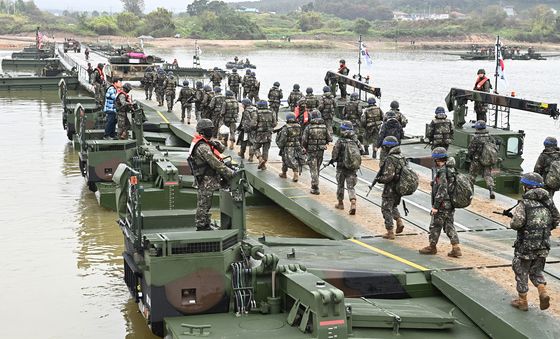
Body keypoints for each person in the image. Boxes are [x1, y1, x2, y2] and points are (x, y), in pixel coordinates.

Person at [509, 172, 559, 311]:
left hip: (526, 246)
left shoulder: (524, 204)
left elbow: (516, 224)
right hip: (543, 245)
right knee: (536, 271)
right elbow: (556, 219)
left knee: (521, 271)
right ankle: (542, 291)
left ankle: (522, 301)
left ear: (527, 187)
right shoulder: (548, 203)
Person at [189, 119, 235, 231]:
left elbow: (222, 149)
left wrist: (215, 142)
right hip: (205, 178)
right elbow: (215, 163)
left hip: (209, 178)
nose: (211, 132)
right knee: (204, 203)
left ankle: (205, 223)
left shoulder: (205, 143)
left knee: (206, 203)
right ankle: (201, 226)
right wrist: (230, 173)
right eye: (209, 130)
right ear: (203, 131)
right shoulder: (202, 147)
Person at [419, 147, 462, 257]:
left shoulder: (442, 171)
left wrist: (436, 206)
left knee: (435, 225)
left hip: (442, 204)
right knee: (449, 225)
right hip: (450, 203)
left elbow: (443, 189)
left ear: (437, 160)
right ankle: (456, 247)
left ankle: (432, 247)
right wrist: (434, 183)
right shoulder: (452, 169)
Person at [375, 136, 406, 239]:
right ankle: (399, 220)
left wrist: (380, 179)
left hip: (390, 187)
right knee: (392, 206)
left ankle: (390, 232)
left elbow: (389, 176)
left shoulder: (390, 158)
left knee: (385, 208)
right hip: (399, 187)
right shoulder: (402, 157)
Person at [331, 120, 362, 215]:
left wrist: (333, 159)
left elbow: (335, 154)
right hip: (352, 167)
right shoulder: (355, 140)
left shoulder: (340, 140)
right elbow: (361, 150)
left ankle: (340, 203)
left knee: (340, 185)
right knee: (351, 186)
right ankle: (353, 201)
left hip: (341, 167)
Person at [302, 110, 331, 195]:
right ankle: (315, 183)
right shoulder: (324, 127)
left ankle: (315, 186)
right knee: (317, 167)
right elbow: (330, 138)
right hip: (321, 150)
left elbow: (304, 140)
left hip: (311, 150)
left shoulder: (309, 127)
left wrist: (305, 147)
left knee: (313, 168)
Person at [468, 120, 497, 199]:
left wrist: (471, 157)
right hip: (487, 160)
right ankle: (491, 190)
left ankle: (471, 192)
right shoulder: (490, 137)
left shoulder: (475, 137)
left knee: (472, 175)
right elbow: (494, 147)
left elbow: (471, 150)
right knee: (488, 175)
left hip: (476, 160)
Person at [276, 112, 302, 182]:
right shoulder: (299, 126)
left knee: (289, 159)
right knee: (288, 159)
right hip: (297, 145)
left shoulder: (286, 127)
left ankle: (294, 173)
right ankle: (284, 173)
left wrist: (280, 145)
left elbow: (282, 139)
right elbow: (301, 136)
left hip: (288, 147)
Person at [253, 100, 276, 170]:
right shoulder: (272, 112)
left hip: (259, 134)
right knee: (266, 149)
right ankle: (264, 163)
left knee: (255, 147)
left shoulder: (256, 112)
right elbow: (274, 123)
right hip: (268, 134)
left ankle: (260, 159)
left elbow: (253, 124)